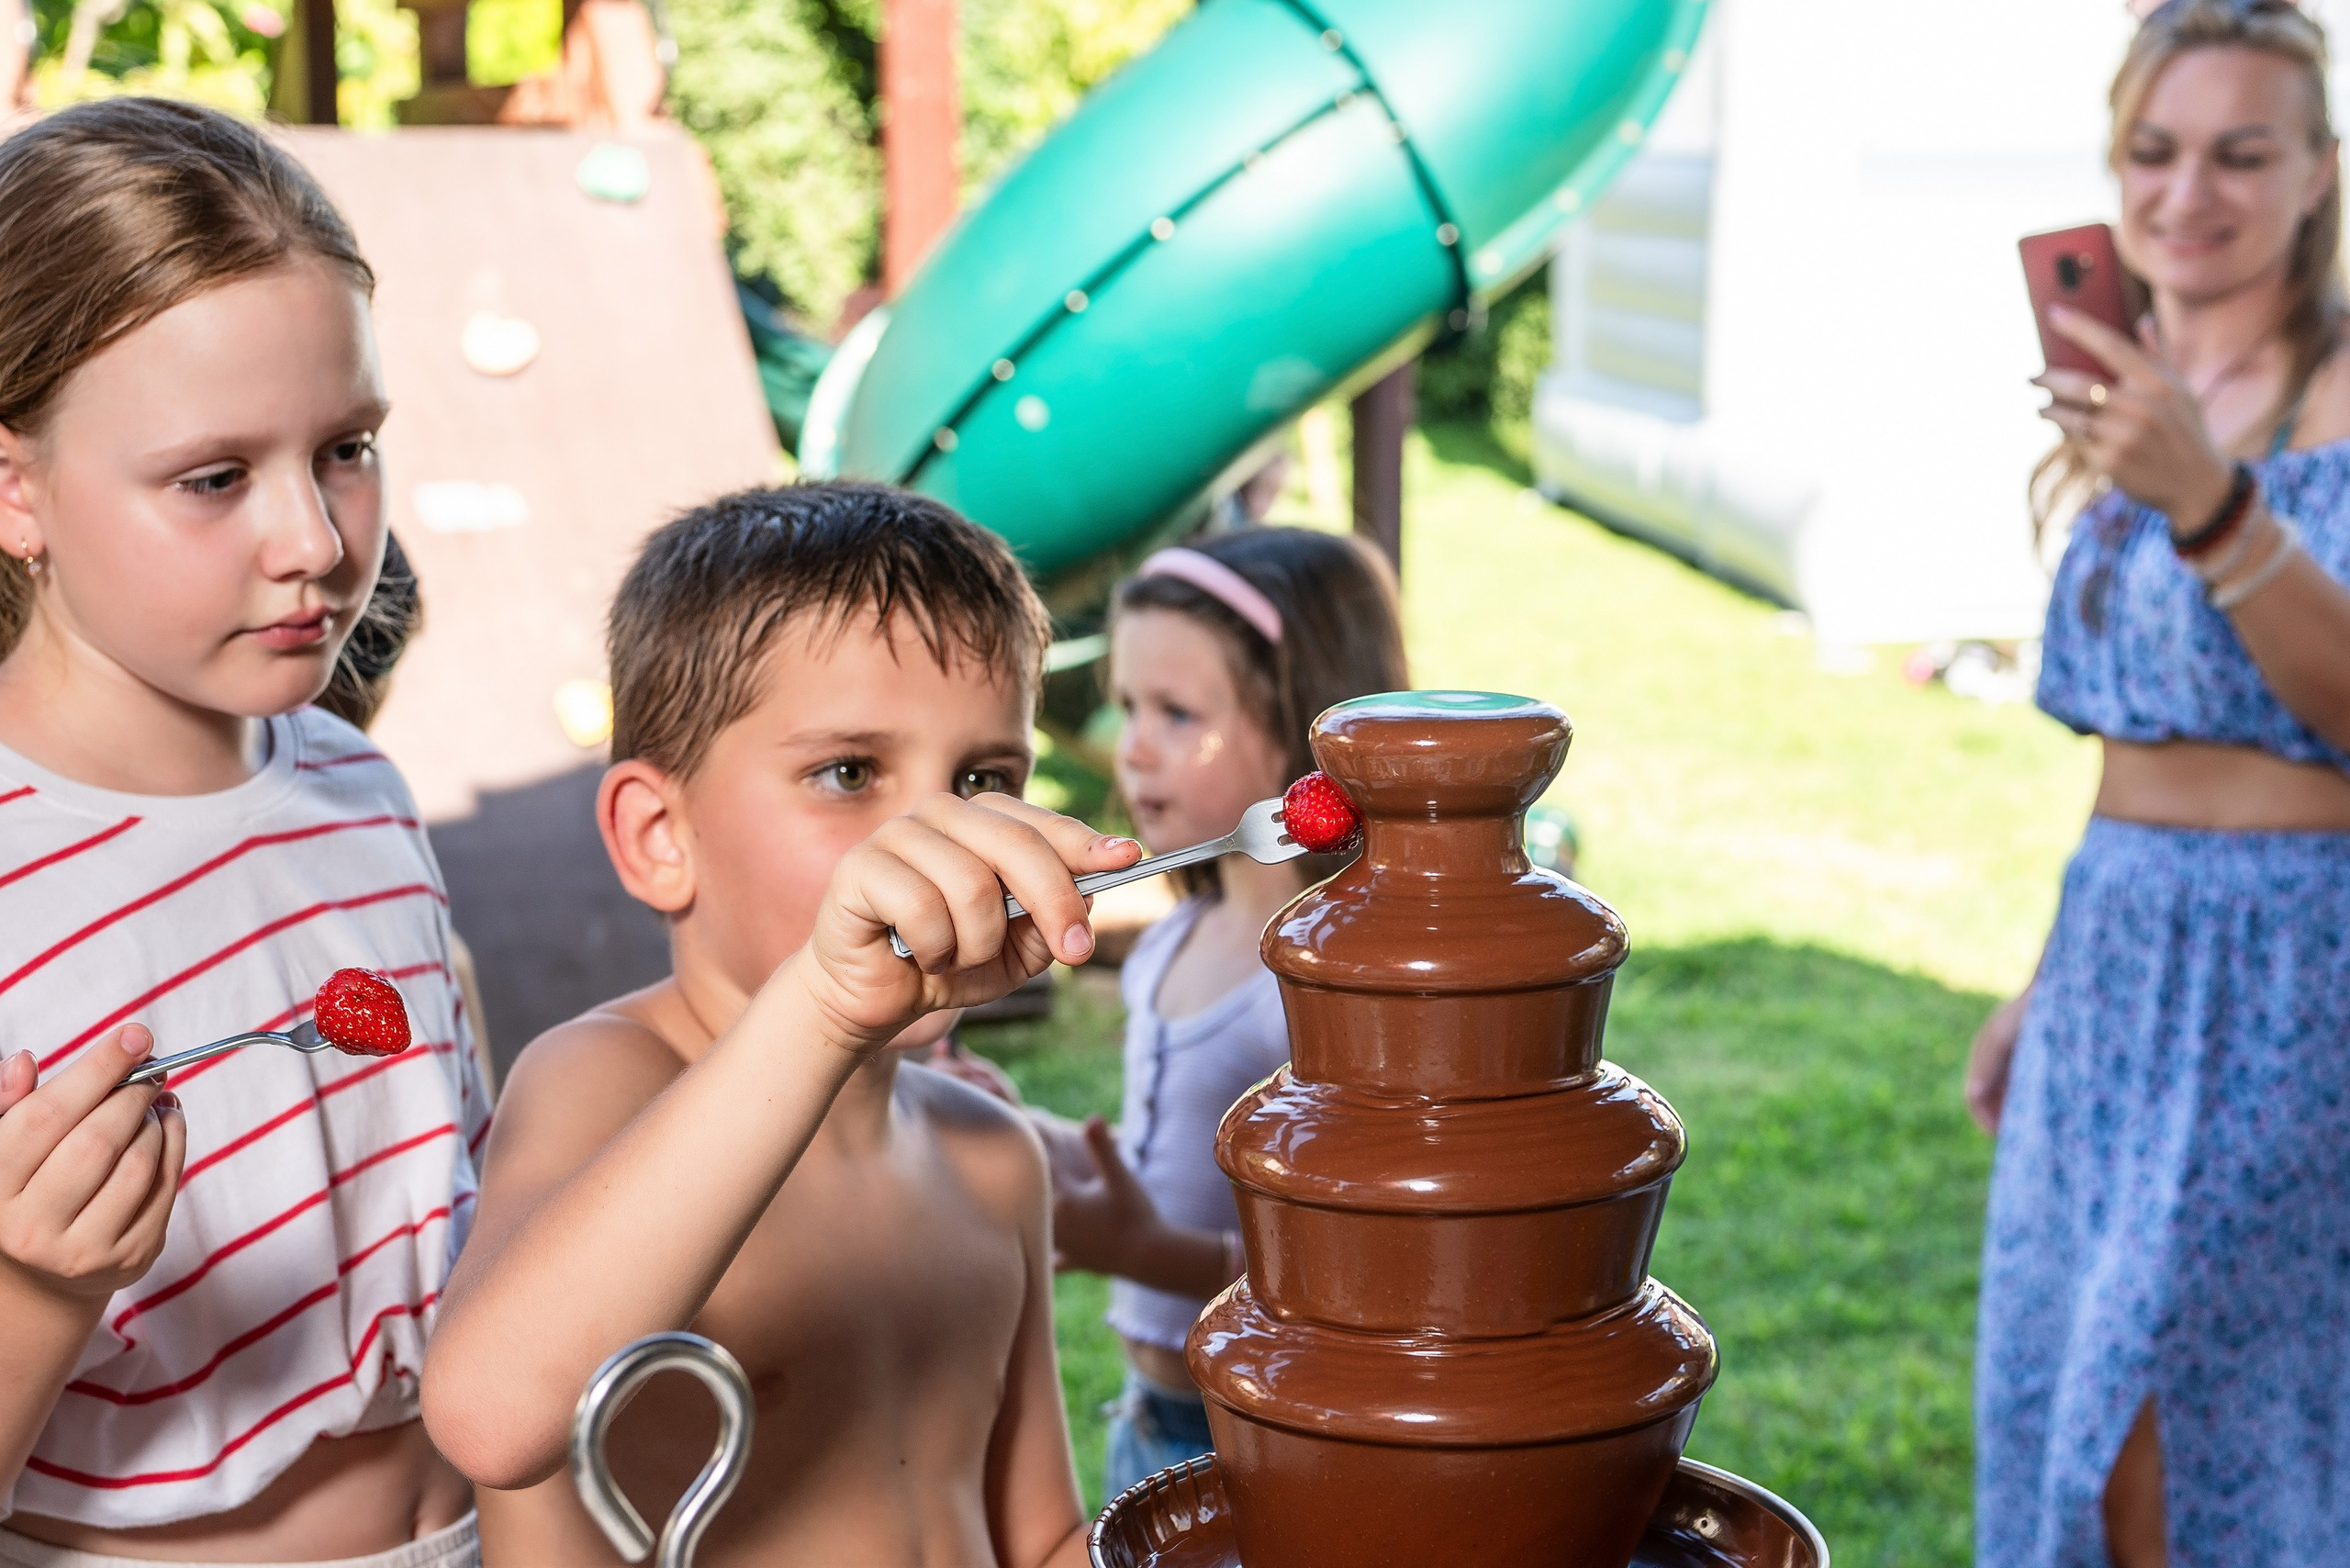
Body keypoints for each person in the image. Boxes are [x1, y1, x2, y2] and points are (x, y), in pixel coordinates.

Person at [420, 484, 1140, 1567]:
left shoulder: (992, 1161)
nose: (936, 835)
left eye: (985, 778)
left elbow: (1040, 1537)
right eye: (849, 773)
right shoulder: (600, 1082)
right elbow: (489, 1413)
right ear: (661, 837)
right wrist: (826, 1000)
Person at [0, 101, 489, 1564]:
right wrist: (31, 1288)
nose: (321, 543)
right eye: (214, 478)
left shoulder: (357, 786)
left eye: (347, 449)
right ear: (14, 489)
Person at [1965, 5, 2350, 1565]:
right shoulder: (2126, 389)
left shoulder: (2331, 401)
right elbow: (2133, 757)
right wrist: (2039, 982)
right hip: (2112, 962)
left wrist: (2213, 503)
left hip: (2294, 968)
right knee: (2074, 1391)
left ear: (2318, 173)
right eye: (2155, 150)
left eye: (2240, 154)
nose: (2189, 191)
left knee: (2195, 1409)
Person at [1038, 529, 1408, 1498]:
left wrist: (1145, 1255)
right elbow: (1167, 1156)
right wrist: (1016, 1128)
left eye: (1176, 712)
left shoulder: (1314, 986)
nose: (1132, 746)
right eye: (1126, 706)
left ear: (1301, 730)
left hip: (1267, 1447)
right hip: (1147, 1420)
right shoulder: (1170, 939)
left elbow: (1359, 1271)